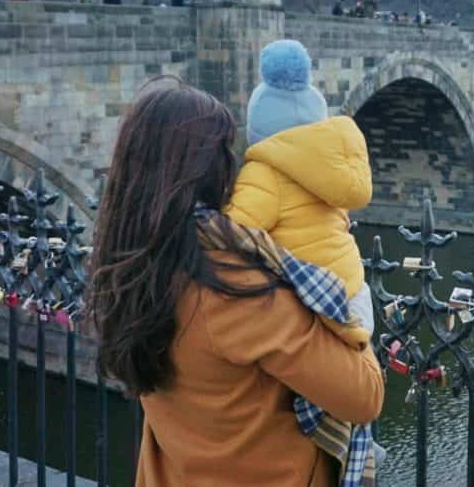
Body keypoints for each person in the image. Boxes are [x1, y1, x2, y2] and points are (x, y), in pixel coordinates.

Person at [87, 77, 383, 486]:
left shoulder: (130, 265)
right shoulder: (230, 286)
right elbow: (364, 395)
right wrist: (353, 299)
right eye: (226, 150)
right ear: (205, 169)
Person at [226, 40, 383, 481]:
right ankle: (356, 444)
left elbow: (237, 231)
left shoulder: (264, 173)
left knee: (313, 391)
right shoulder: (331, 166)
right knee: (350, 379)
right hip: (353, 289)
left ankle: (326, 429)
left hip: (313, 297)